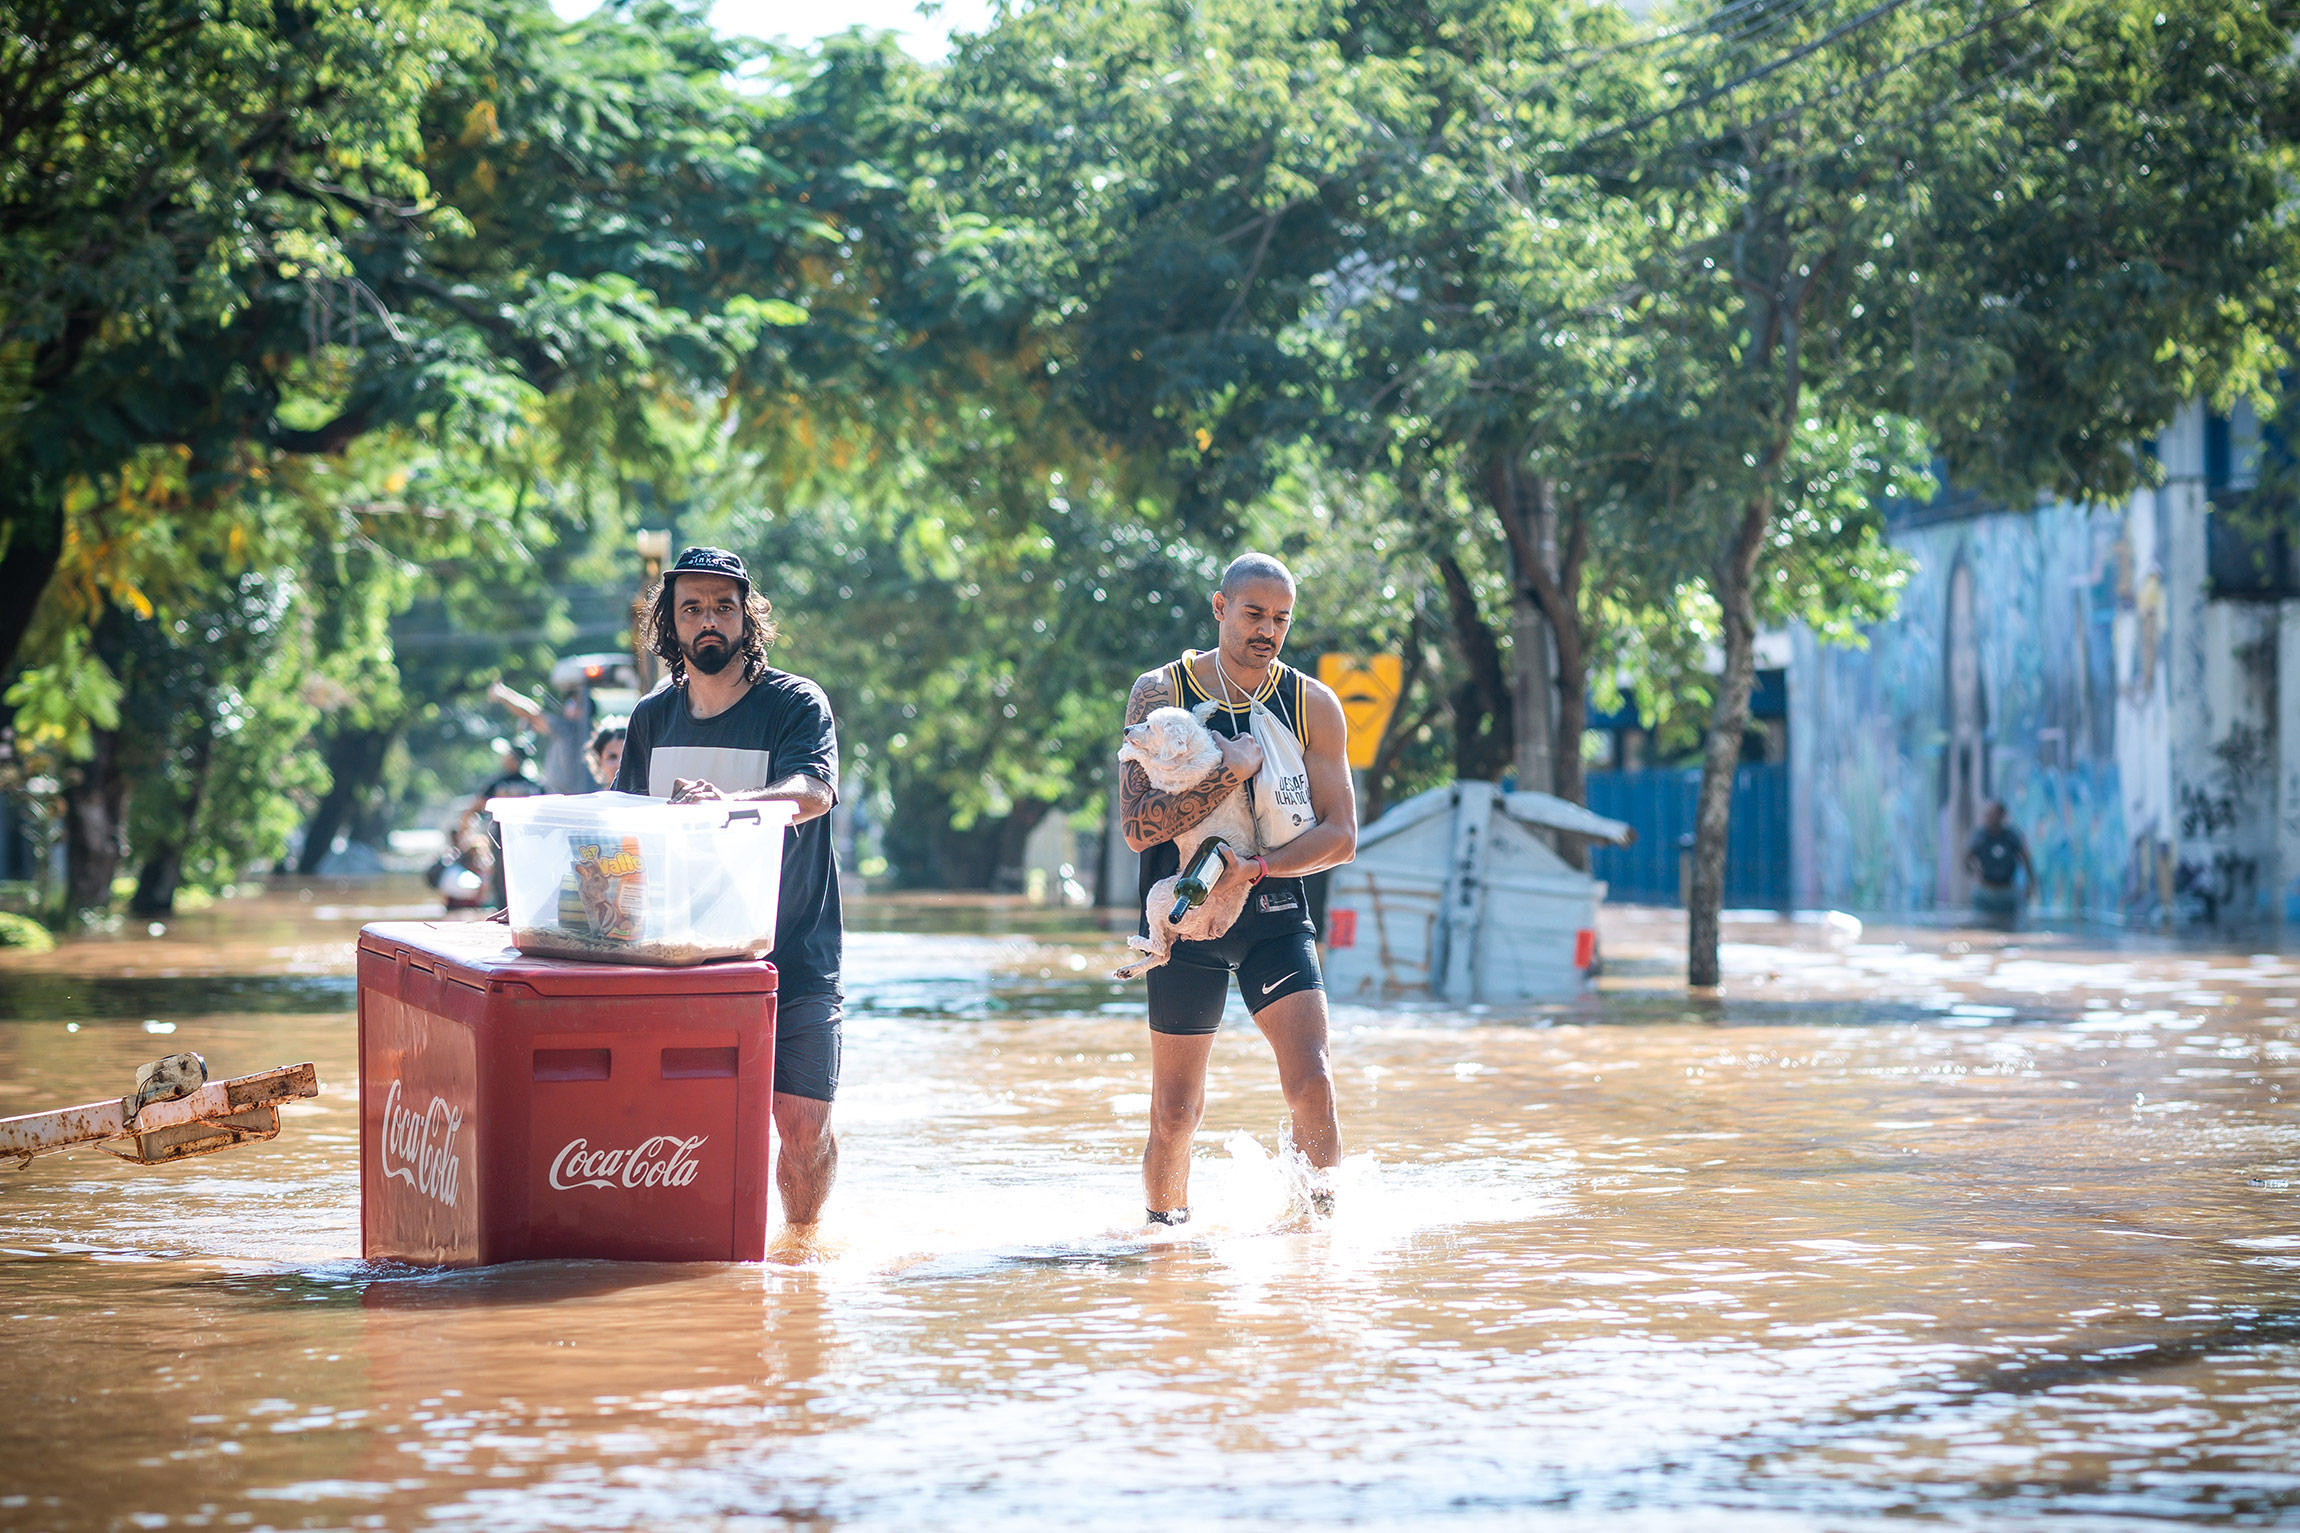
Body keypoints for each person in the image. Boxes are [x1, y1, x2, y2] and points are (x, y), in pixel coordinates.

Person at [1119, 551, 1358, 1227]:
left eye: (1281, 618)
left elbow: (1342, 833)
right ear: (1220, 607)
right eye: (1253, 613)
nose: (1268, 629)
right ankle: (1164, 1249)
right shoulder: (1158, 693)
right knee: (1175, 1109)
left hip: (1275, 913)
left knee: (1311, 1080)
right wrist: (1229, 773)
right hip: (1185, 922)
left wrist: (1261, 870)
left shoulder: (1312, 704)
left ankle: (1324, 1237)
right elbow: (1138, 829)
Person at [613, 546, 844, 1244]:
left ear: (747, 617)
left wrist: (730, 804)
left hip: (794, 953)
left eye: (722, 606)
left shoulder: (795, 704)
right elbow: (620, 834)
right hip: (680, 958)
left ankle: (802, 1249)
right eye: (692, 608)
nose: (708, 620)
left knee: (802, 1124)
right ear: (671, 625)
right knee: (672, 1127)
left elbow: (813, 792)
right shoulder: (651, 720)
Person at [1965, 799, 2034, 927]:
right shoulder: (1980, 836)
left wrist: (2030, 884)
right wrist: (1976, 873)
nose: (1989, 817)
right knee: (1982, 928)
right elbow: (1967, 858)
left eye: (1993, 814)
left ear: (2002, 815)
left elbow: (2026, 859)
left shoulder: (2012, 836)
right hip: (1986, 891)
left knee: (2010, 926)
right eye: (1988, 814)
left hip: (2007, 892)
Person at [587, 721, 626, 789]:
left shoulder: (646, 799)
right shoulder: (593, 799)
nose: (619, 765)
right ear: (599, 760)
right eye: (612, 757)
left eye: (626, 757)